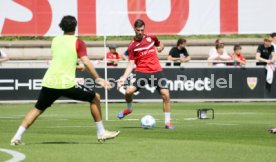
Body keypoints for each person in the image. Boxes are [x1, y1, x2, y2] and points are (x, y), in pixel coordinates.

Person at [10, 15, 120, 145]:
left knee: (37, 109)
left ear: (61, 26)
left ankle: (16, 137)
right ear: (75, 26)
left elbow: (61, 60)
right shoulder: (78, 42)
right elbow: (86, 61)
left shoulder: (55, 40)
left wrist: (75, 66)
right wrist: (98, 78)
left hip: (49, 82)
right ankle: (101, 132)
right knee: (95, 97)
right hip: (66, 84)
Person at [116, 19, 174, 129]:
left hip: (157, 71)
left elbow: (161, 43)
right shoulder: (132, 46)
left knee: (166, 95)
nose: (140, 32)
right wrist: (123, 77)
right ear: (134, 29)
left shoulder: (151, 37)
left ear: (144, 29)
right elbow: (131, 63)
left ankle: (167, 122)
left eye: (142, 30)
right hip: (141, 72)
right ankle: (129, 109)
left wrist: (161, 47)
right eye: (138, 30)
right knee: (128, 92)